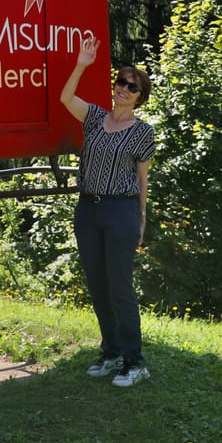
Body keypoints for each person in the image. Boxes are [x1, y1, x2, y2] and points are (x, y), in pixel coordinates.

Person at [60, 34, 155, 387]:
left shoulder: (143, 132)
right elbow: (65, 98)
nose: (124, 88)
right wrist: (82, 64)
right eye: (121, 81)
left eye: (133, 86)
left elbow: (142, 179)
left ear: (140, 97)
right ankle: (111, 353)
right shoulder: (95, 118)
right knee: (98, 286)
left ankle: (135, 361)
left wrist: (142, 218)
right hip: (88, 211)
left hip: (121, 213)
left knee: (120, 287)